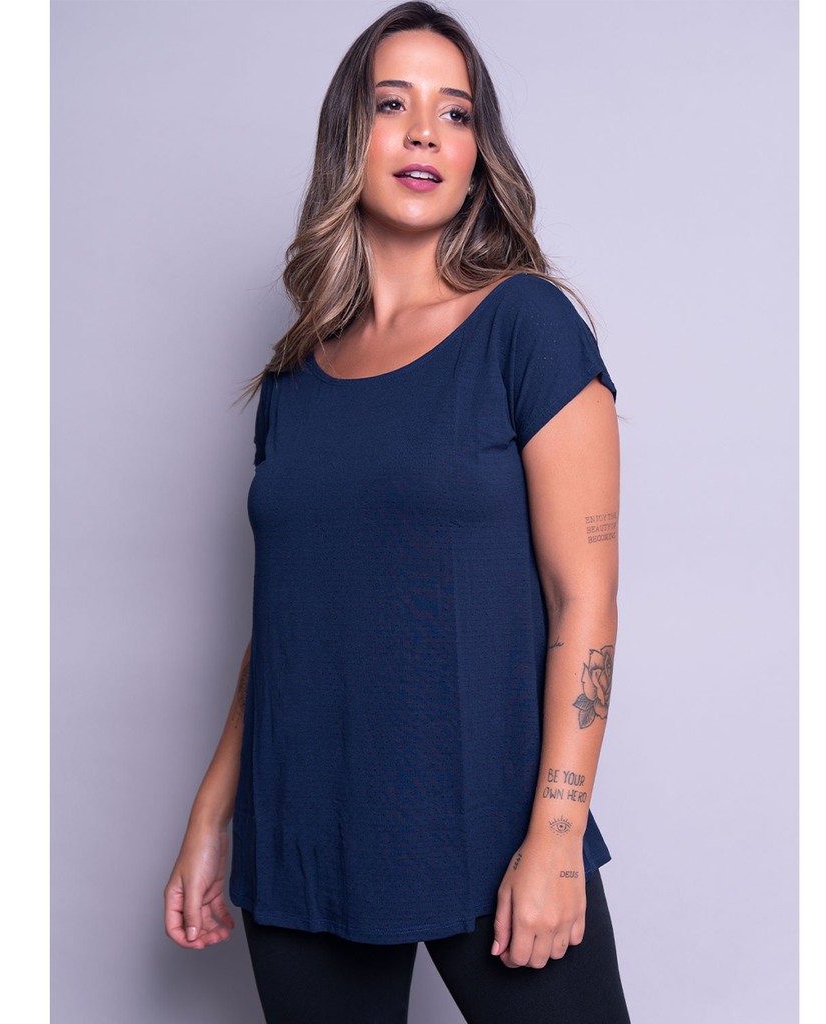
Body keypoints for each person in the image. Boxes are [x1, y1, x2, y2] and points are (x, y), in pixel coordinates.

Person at [163, 3, 631, 1021]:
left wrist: (556, 837)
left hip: (489, 825)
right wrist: (213, 813)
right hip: (302, 833)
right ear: (350, 137)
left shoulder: (527, 326)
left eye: (455, 113)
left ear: (476, 155)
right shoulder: (294, 378)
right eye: (393, 105)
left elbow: (584, 599)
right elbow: (287, 619)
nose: (425, 133)